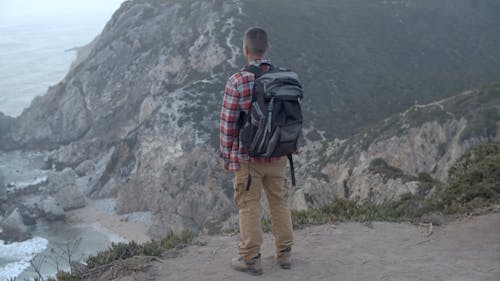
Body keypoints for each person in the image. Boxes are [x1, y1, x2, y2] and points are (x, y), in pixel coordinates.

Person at [219, 27, 294, 276]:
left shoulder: (237, 81)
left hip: (247, 157)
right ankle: (284, 253)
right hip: (278, 153)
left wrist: (225, 155)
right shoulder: (285, 76)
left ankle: (250, 258)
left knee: (249, 205)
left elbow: (228, 123)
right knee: (279, 202)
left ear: (245, 50)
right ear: (267, 48)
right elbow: (291, 117)